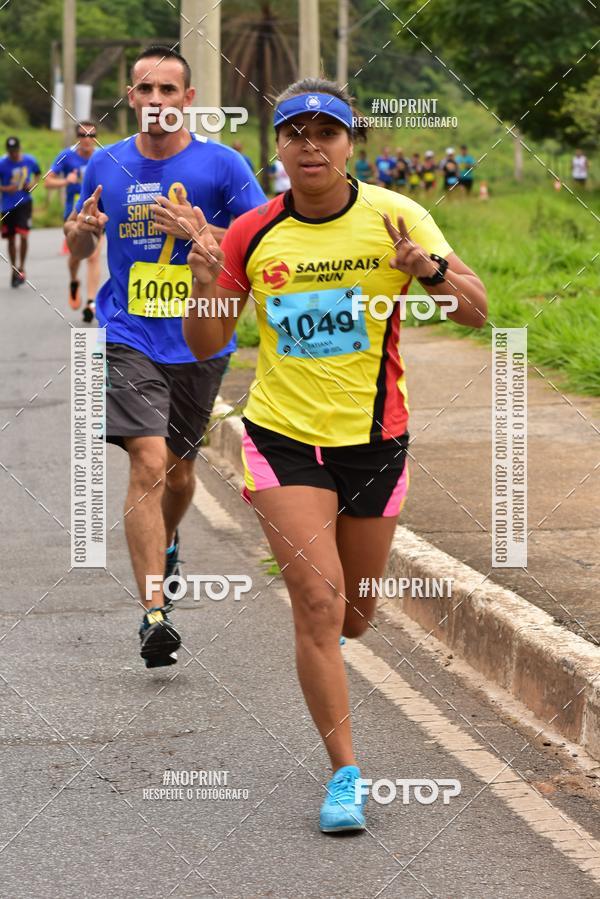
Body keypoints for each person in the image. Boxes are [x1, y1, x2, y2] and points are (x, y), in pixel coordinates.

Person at [181, 77, 487, 833]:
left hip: (377, 441)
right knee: (316, 605)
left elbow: (478, 311)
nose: (310, 146)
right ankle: (344, 774)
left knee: (354, 614)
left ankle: (346, 640)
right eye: (295, 133)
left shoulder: (396, 216)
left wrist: (428, 270)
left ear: (351, 142)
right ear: (278, 146)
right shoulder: (252, 231)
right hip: (283, 437)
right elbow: (206, 344)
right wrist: (204, 279)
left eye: (326, 132)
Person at [65, 45, 266, 669]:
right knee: (148, 462)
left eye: (167, 92)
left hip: (201, 337)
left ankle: (170, 544)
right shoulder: (106, 166)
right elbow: (75, 245)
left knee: (179, 473)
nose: (155, 102)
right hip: (129, 334)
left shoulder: (224, 165)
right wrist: (77, 236)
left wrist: (200, 235)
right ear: (131, 98)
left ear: (188, 100)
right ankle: (154, 612)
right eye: (144, 91)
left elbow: (262, 249)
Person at [46, 121, 101, 320]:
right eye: (82, 134)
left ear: (96, 137)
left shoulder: (102, 156)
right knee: (77, 256)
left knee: (94, 255)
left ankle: (91, 302)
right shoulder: (66, 156)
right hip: (74, 215)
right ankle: (74, 281)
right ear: (77, 136)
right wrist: (65, 181)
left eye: (91, 135)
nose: (87, 139)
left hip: (96, 215)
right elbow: (48, 181)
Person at [0, 136, 41, 287]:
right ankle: (14, 269)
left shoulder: (29, 160)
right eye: (11, 152)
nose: (14, 154)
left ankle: (22, 267)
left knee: (23, 236)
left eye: (16, 151)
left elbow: (38, 174)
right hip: (7, 206)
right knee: (11, 239)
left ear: (20, 148)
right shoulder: (2, 164)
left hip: (24, 203)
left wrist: (32, 185)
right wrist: (5, 189)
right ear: (7, 151)